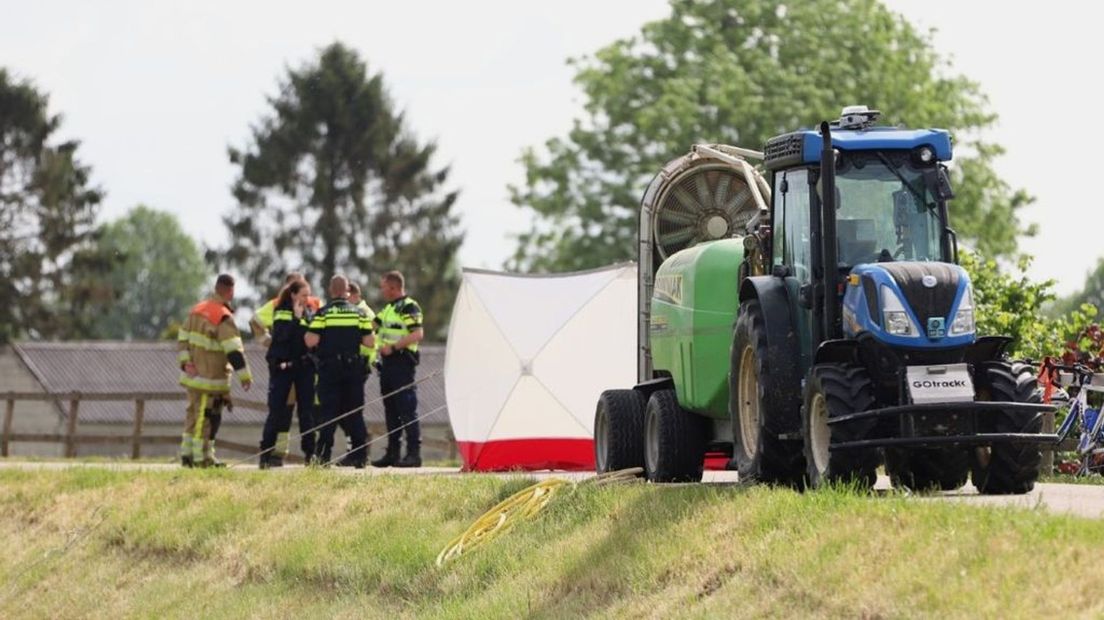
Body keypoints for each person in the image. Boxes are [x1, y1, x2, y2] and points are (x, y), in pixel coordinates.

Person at [176, 274, 252, 467]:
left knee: (192, 416)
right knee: (206, 418)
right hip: (210, 379)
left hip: (192, 377)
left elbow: (182, 338)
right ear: (230, 291)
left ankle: (187, 456)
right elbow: (234, 350)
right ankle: (202, 459)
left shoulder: (197, 310)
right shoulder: (222, 316)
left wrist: (186, 363)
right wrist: (245, 376)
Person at [251, 272, 322, 462]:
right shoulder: (281, 310)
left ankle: (310, 454)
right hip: (283, 368)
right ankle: (267, 454)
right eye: (304, 295)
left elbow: (309, 338)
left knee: (306, 413)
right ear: (292, 293)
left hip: (304, 368)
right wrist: (297, 321)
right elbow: (285, 336)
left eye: (309, 295)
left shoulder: (309, 309)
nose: (308, 299)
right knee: (277, 411)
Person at [306, 275, 374, 467]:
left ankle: (322, 457)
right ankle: (360, 456)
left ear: (330, 290)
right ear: (346, 291)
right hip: (353, 371)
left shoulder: (323, 313)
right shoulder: (359, 314)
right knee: (355, 413)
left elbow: (310, 340)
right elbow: (370, 342)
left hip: (329, 371)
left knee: (328, 413)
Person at [371, 270, 425, 468]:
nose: (381, 290)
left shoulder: (409, 306)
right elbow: (370, 326)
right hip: (387, 365)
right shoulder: (388, 309)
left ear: (393, 287)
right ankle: (393, 453)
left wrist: (393, 347)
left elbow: (417, 333)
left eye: (383, 286)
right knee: (391, 410)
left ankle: (413, 454)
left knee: (407, 409)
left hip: (402, 362)